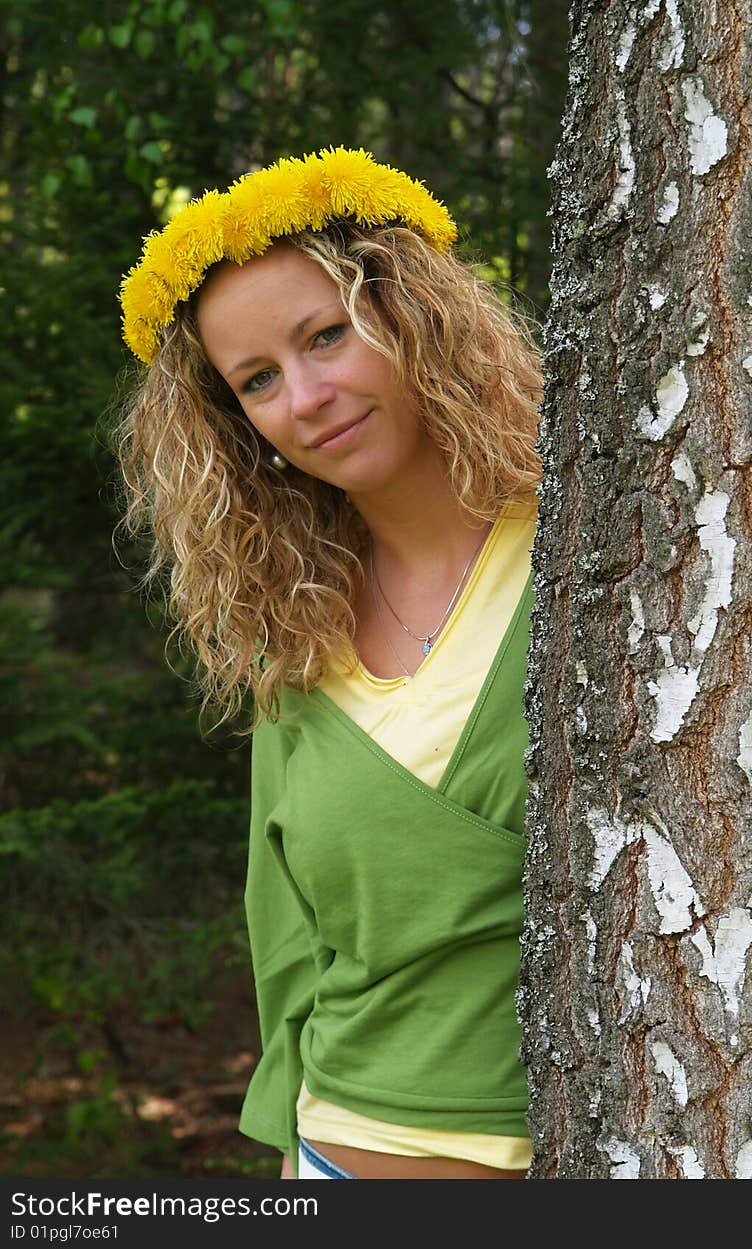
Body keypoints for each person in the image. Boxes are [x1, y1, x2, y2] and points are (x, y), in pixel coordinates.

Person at [117, 147, 542, 1180]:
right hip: (339, 1160)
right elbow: (290, 944)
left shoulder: (588, 551)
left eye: (326, 335)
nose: (304, 397)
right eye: (257, 380)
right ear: (239, 425)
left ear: (412, 316)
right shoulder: (294, 637)